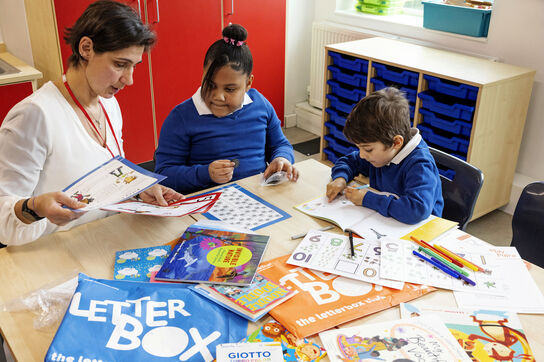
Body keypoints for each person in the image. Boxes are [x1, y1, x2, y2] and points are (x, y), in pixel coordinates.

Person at [0, 0, 182, 246]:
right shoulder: (35, 115)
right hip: (52, 254)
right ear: (86, 48)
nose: (129, 80)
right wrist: (35, 207)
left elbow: (106, 176)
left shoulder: (108, 104)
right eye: (120, 64)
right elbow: (3, 218)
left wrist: (136, 190)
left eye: (133, 67)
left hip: (104, 239)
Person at [154, 24, 298, 194]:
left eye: (230, 89)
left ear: (248, 84)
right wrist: (205, 173)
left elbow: (280, 144)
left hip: (257, 197)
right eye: (210, 84)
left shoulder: (260, 105)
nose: (218, 96)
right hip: (206, 204)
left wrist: (281, 158)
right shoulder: (181, 117)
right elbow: (163, 175)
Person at [326, 87, 443, 224]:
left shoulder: (420, 165)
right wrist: (340, 178)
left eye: (368, 149)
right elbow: (349, 162)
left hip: (421, 232)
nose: (362, 155)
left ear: (396, 142)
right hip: (386, 222)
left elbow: (415, 210)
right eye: (360, 148)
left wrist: (367, 199)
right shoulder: (382, 153)